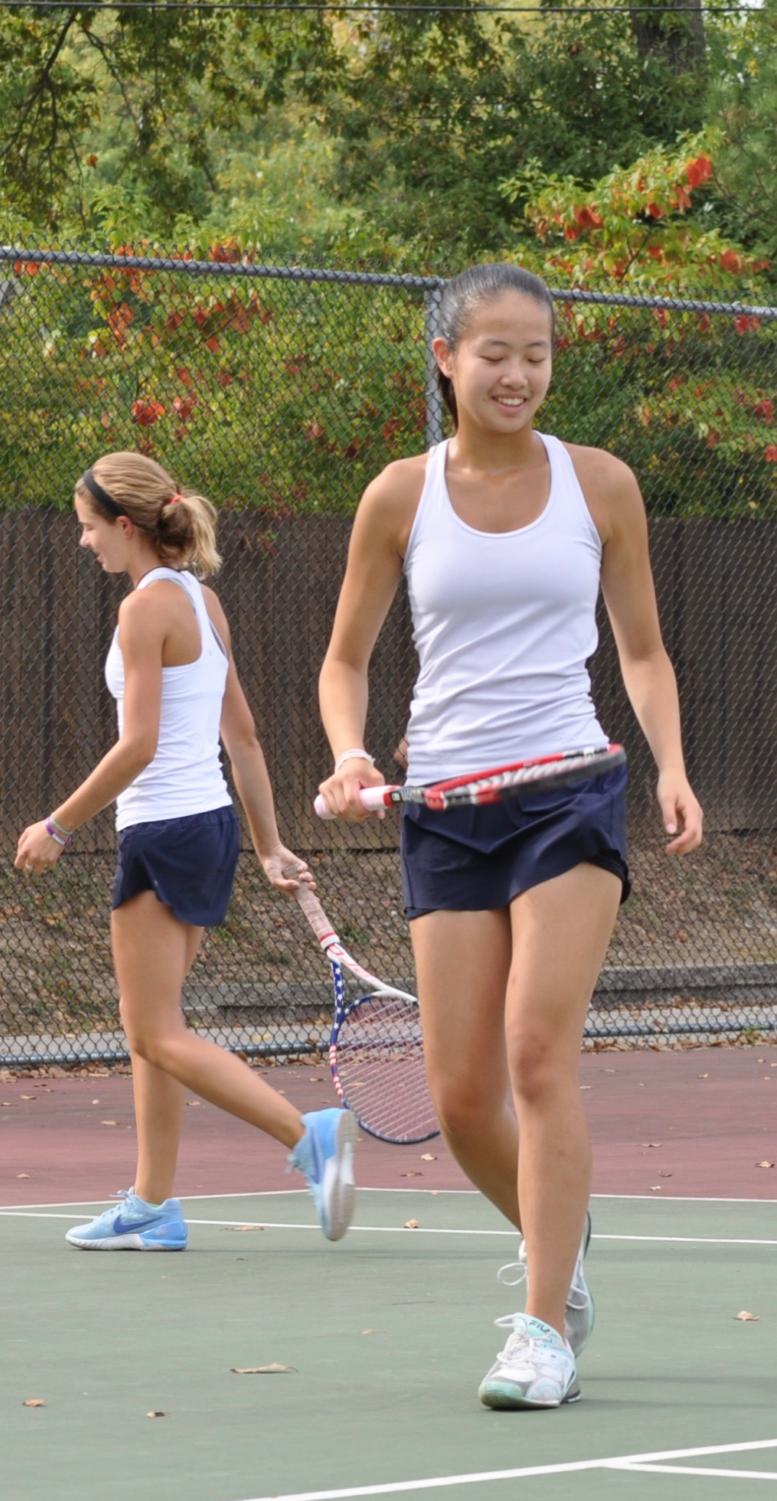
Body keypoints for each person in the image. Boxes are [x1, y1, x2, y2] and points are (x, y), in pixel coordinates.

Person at [316, 264, 702, 1409]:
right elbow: (345, 660)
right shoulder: (397, 495)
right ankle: (559, 1238)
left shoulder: (602, 486)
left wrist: (671, 763)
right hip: (443, 806)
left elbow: (638, 648)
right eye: (494, 352)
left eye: (535, 353)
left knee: (537, 1053)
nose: (517, 373)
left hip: (567, 793)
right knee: (464, 1091)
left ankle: (540, 1327)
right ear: (445, 357)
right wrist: (348, 751)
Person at [15, 451, 358, 1250]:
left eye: (89, 528)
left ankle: (306, 1134)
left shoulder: (144, 612)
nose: (83, 543)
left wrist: (58, 825)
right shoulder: (203, 603)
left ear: (125, 526)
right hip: (206, 829)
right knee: (154, 1026)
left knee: (154, 1032)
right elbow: (241, 735)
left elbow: (136, 746)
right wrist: (266, 845)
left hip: (164, 829)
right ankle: (153, 1202)